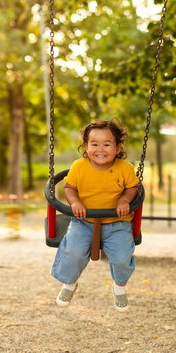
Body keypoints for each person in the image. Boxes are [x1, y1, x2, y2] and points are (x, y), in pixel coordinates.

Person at [51, 119, 139, 312]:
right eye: (94, 144)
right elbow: (70, 188)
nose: (100, 149)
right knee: (72, 251)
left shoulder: (125, 168)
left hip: (117, 222)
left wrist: (124, 200)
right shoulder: (79, 166)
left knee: (122, 256)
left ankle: (119, 286)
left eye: (107, 144)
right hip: (84, 221)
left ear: (117, 148)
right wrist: (75, 202)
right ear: (85, 146)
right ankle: (69, 283)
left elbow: (133, 188)